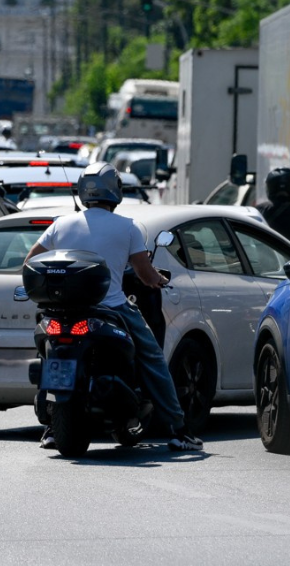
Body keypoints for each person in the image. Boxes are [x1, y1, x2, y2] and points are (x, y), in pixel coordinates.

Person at [25, 162, 204, 453]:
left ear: (83, 191)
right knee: (153, 358)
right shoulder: (127, 227)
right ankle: (179, 429)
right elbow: (145, 275)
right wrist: (158, 279)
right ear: (115, 191)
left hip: (63, 311)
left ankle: (50, 428)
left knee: (49, 354)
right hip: (113, 308)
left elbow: (30, 261)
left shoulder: (62, 223)